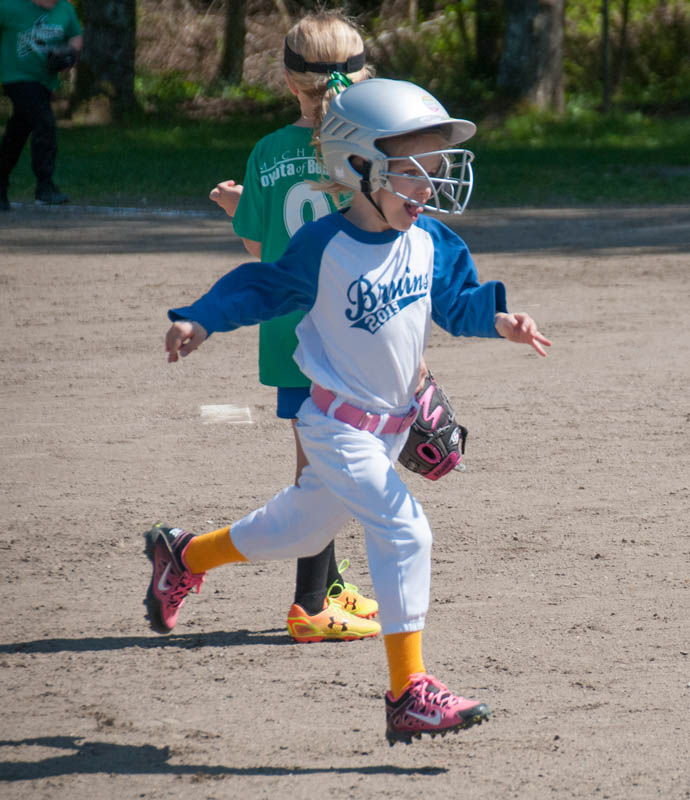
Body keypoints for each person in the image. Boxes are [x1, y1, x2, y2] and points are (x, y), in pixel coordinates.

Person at [147, 77, 551, 745]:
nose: (428, 190)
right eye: (411, 175)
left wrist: (501, 319)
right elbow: (263, 285)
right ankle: (409, 692)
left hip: (389, 430)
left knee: (297, 534)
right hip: (334, 425)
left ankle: (184, 555)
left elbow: (456, 301)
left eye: (435, 174)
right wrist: (201, 321)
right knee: (405, 531)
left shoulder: (430, 241)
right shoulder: (326, 246)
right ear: (356, 167)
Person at [206, 11, 381, 644]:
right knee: (329, 469)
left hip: (290, 330)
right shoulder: (368, 147)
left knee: (321, 463)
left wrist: (237, 206)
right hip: (356, 328)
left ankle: (327, 587)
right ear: (362, 76)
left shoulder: (267, 151)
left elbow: (260, 245)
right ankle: (311, 604)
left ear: (287, 81)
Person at [0, 0, 82, 211]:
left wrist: (70, 53)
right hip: (17, 78)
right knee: (44, 122)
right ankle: (45, 187)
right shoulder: (9, 6)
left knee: (17, 133)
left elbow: (75, 35)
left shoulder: (64, 8)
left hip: (45, 81)